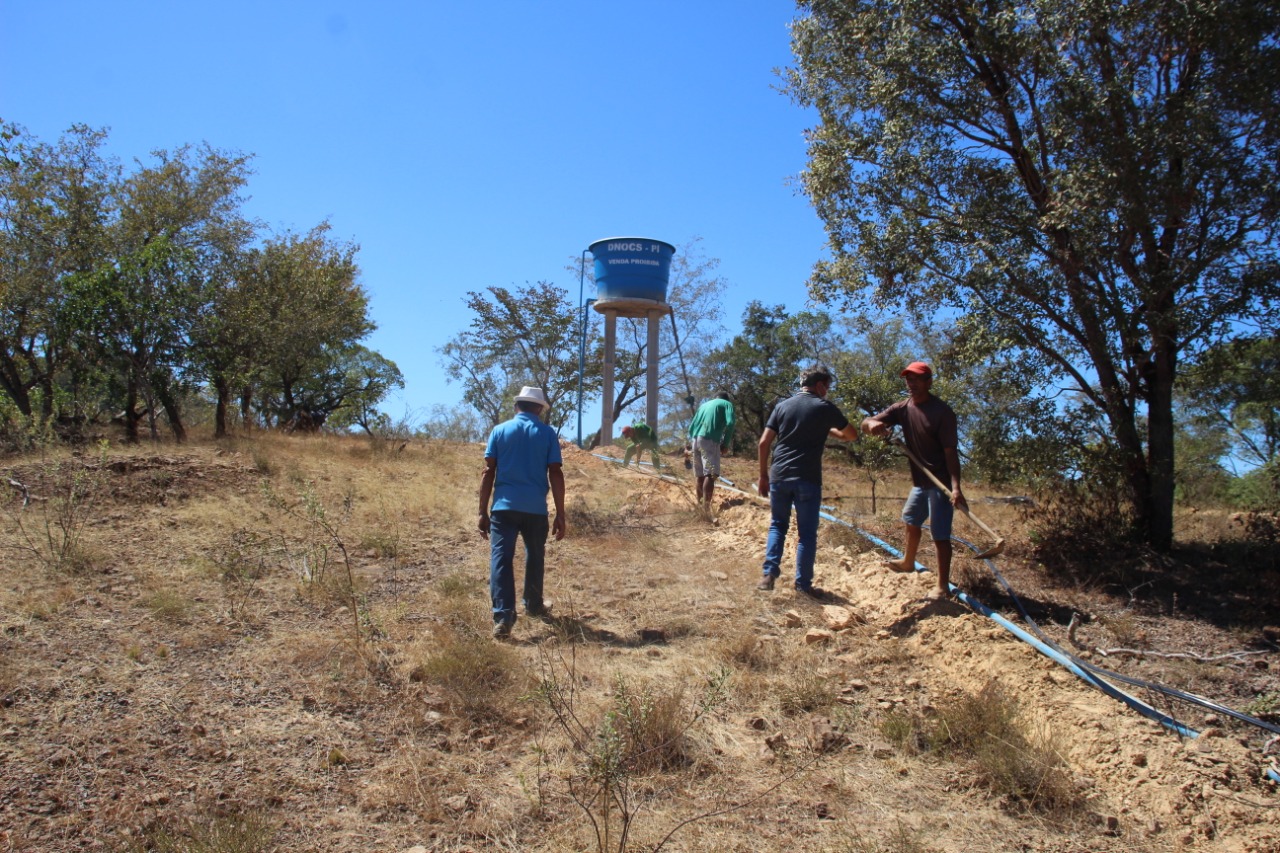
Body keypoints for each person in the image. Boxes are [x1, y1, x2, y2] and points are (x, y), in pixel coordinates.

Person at [860, 361, 966, 600]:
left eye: (917, 379)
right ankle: (908, 561)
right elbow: (866, 423)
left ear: (929, 382)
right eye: (909, 379)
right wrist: (873, 425)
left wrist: (956, 488)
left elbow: (951, 452)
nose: (912, 384)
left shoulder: (942, 412)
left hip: (939, 484)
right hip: (920, 483)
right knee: (911, 519)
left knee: (940, 536)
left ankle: (942, 586)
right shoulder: (902, 408)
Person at [757, 365, 859, 598]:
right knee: (807, 534)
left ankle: (768, 575)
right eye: (828, 387)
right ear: (821, 385)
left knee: (777, 525)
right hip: (807, 478)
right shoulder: (824, 407)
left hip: (779, 475)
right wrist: (826, 428)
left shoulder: (782, 406)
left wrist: (763, 475)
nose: (828, 391)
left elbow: (764, 443)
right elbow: (851, 435)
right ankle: (803, 586)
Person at [477, 386, 567, 639]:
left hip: (503, 509)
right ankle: (534, 605)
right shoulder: (547, 433)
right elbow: (556, 472)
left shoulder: (499, 431)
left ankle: (503, 617)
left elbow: (488, 472)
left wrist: (482, 511)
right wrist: (560, 513)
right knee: (535, 555)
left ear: (517, 406)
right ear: (539, 409)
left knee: (501, 559)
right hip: (536, 509)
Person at [687, 392, 736, 511]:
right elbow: (730, 423)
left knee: (700, 476)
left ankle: (700, 508)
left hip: (695, 439)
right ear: (726, 399)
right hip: (709, 439)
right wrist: (725, 443)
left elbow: (690, 428)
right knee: (710, 474)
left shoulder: (703, 405)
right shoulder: (727, 404)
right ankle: (706, 510)